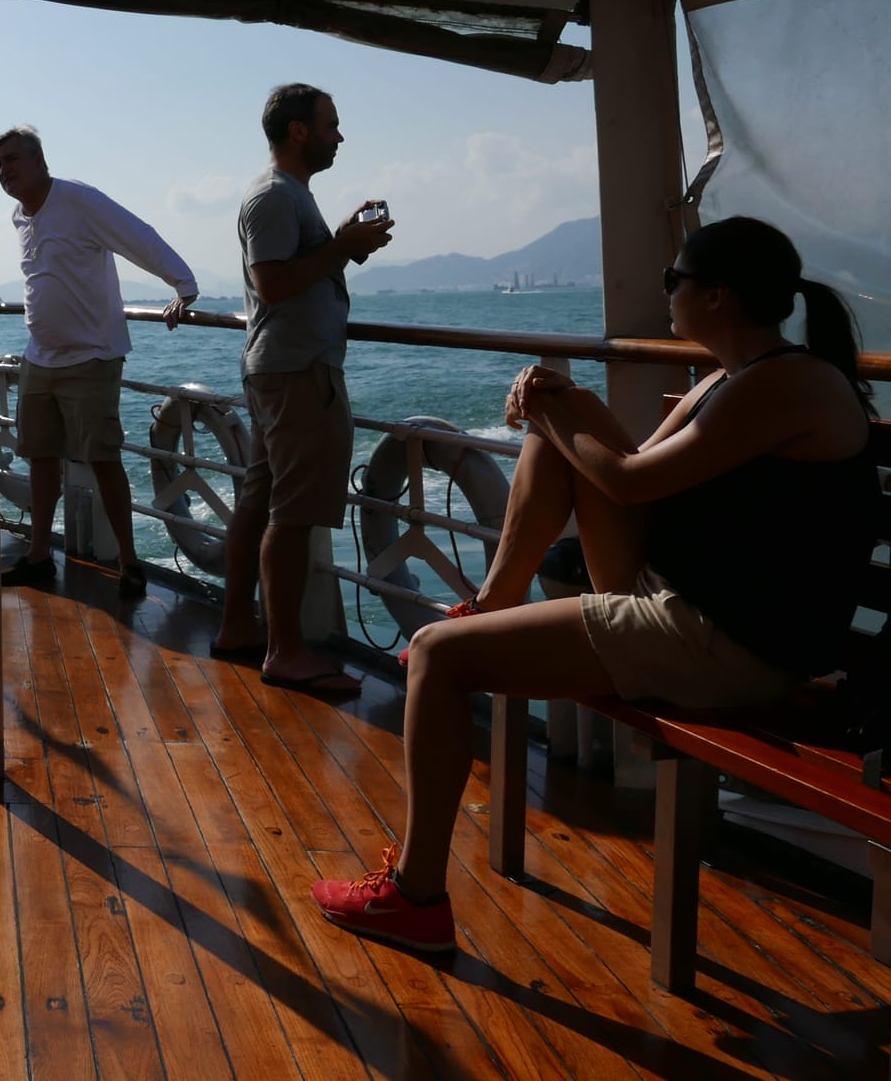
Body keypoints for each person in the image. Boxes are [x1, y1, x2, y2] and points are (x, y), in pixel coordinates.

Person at [310, 217, 878, 952]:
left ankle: (415, 897)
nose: (664, 292)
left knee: (438, 655)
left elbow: (630, 483)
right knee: (553, 441)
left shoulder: (787, 386)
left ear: (717, 297)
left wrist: (552, 409)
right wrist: (560, 401)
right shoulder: (729, 379)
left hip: (730, 647)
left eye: (672, 280)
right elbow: (631, 466)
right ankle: (492, 607)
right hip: (692, 605)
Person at [213, 84, 393, 696]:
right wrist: (341, 247)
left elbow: (292, 271)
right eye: (331, 125)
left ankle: (239, 627)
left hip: (280, 369)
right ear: (298, 131)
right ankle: (285, 650)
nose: (338, 136)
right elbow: (272, 284)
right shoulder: (273, 197)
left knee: (260, 502)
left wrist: (338, 243)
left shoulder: (288, 197)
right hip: (297, 373)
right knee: (289, 517)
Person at [0, 125, 199, 597]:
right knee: (41, 457)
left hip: (92, 355)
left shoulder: (79, 200)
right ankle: (40, 554)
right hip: (40, 358)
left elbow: (136, 235)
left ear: (39, 161)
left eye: (11, 160)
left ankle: (129, 562)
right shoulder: (19, 217)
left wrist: (183, 285)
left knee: (103, 458)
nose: (3, 171)